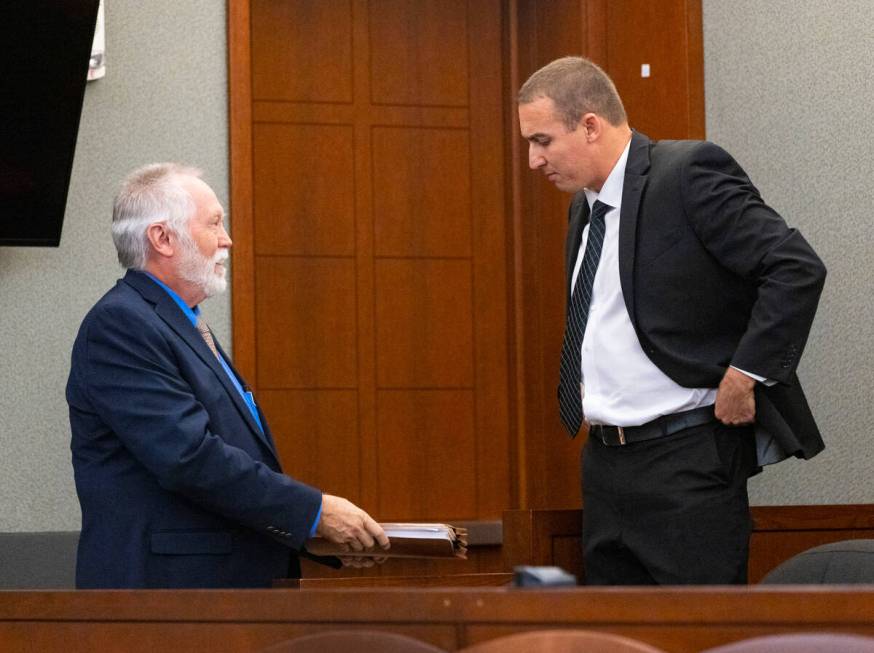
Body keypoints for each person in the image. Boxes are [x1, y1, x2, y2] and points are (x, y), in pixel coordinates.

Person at [517, 57, 826, 585]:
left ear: (590, 125)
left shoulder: (687, 174)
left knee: (695, 633)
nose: (532, 159)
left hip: (687, 460)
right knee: (619, 637)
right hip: (605, 465)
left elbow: (794, 267)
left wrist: (747, 372)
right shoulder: (582, 210)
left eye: (543, 140)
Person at [67, 163, 389, 588]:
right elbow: (189, 457)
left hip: (213, 591)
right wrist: (313, 514)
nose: (228, 240)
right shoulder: (122, 325)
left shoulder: (179, 323)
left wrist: (308, 534)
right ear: (162, 238)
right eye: (215, 223)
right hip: (168, 599)